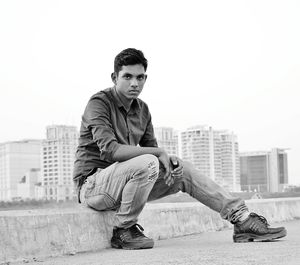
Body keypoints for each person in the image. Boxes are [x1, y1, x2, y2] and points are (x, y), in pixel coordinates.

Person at [73, 48, 287, 250]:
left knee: (179, 168)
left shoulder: (143, 110)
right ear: (114, 77)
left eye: (140, 77)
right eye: (127, 77)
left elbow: (152, 156)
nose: (134, 83)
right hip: (93, 186)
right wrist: (158, 155)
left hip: (126, 186)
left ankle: (242, 219)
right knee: (149, 160)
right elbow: (112, 151)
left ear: (145, 79)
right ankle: (123, 231)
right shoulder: (99, 103)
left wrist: (168, 165)